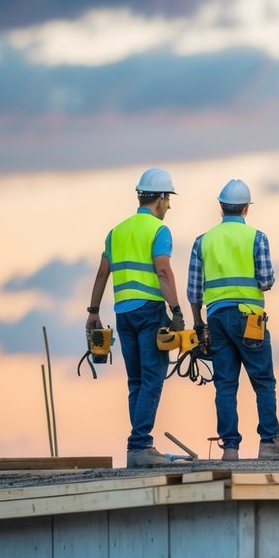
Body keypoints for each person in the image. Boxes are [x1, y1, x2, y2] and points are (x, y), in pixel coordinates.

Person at [187, 179, 279, 462]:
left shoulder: (203, 240)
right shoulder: (257, 238)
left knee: (225, 384)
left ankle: (231, 447)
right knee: (263, 381)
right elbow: (266, 280)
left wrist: (199, 324)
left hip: (216, 318)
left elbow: (194, 289)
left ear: (221, 206)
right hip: (250, 318)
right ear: (246, 208)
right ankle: (269, 442)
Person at [86, 167, 184, 468]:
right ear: (161, 198)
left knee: (136, 381)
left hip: (123, 312)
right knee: (153, 379)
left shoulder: (116, 232)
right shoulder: (158, 230)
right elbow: (163, 271)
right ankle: (140, 444)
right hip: (150, 311)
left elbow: (103, 273)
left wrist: (93, 312)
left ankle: (139, 445)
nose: (169, 206)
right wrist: (176, 310)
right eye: (168, 200)